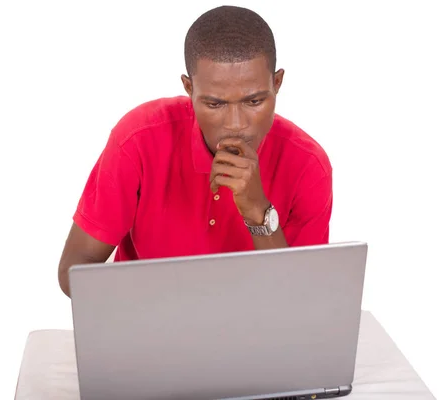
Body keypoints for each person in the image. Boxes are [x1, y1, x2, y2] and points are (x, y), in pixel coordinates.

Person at [58, 5, 333, 297]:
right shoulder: (137, 140)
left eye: (254, 102)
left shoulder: (308, 165)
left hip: (253, 335)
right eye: (215, 104)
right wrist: (154, 309)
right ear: (189, 88)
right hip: (149, 328)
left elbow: (302, 300)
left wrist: (258, 214)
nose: (236, 124)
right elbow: (75, 270)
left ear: (276, 84)